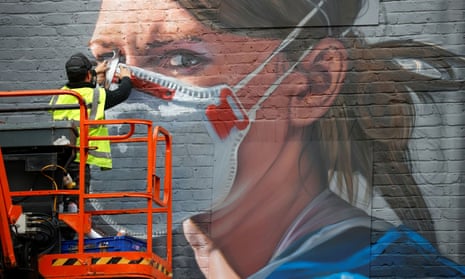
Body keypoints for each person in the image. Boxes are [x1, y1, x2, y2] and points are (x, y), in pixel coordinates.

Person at [89, 0, 465, 277]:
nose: (123, 98)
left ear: (314, 84)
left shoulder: (395, 272)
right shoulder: (129, 264)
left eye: (183, 59)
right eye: (107, 62)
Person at [50, 53, 132, 219]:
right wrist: (126, 78)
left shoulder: (60, 94)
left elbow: (76, 86)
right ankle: (72, 232)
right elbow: (122, 93)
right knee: (76, 203)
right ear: (88, 74)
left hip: (58, 158)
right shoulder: (97, 95)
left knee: (60, 200)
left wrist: (94, 73)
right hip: (80, 157)